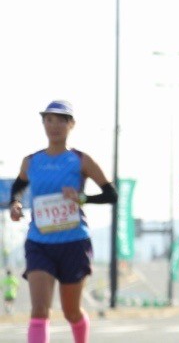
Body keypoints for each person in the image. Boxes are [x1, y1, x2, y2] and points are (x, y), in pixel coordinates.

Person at [7, 100, 114, 343]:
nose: (54, 126)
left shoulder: (81, 160)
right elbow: (18, 187)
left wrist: (82, 198)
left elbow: (111, 194)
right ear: (43, 123)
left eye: (61, 121)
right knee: (39, 310)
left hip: (73, 243)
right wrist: (15, 204)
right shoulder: (31, 161)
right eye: (49, 120)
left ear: (71, 124)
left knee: (71, 311)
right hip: (39, 243)